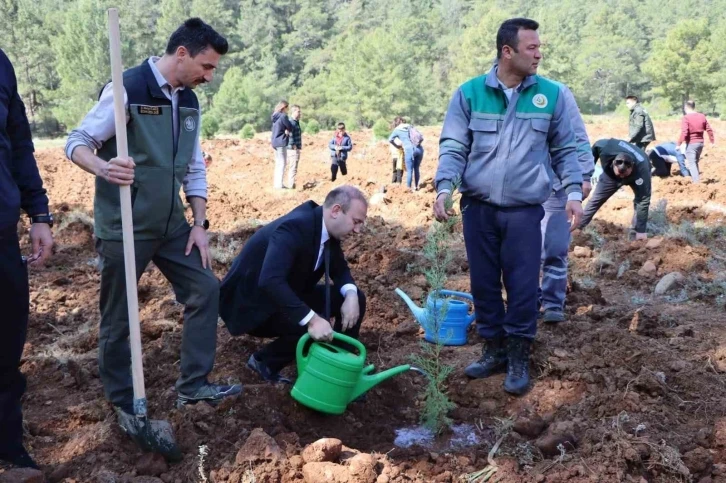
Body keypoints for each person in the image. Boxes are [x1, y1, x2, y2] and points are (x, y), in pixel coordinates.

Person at [64, 19, 241, 432]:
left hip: (172, 227)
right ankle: (124, 402)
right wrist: (105, 167)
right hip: (125, 226)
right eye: (206, 66)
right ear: (181, 53)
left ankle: (193, 385)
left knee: (204, 289)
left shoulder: (191, 102)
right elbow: (77, 142)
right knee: (119, 316)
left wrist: (200, 223)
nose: (210, 76)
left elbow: (194, 168)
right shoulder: (128, 89)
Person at [433, 18, 583, 395]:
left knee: (520, 284)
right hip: (478, 208)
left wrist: (575, 193)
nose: (539, 54)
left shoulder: (552, 95)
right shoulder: (469, 94)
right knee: (483, 282)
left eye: (538, 47)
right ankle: (493, 349)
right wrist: (444, 187)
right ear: (507, 51)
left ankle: (518, 355)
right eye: (531, 47)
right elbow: (454, 146)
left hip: (524, 209)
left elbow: (566, 149)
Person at [219, 186, 368, 383]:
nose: (358, 230)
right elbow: (270, 280)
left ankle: (338, 368)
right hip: (252, 306)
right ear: (336, 211)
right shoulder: (295, 228)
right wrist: (313, 320)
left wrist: (351, 295)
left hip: (284, 294)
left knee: (356, 297)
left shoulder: (325, 229)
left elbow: (340, 270)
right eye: (356, 222)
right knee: (307, 321)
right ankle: (264, 362)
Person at [0, 48, 54, 470]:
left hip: (1, 232)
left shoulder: (1, 64)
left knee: (6, 342)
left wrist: (38, 212)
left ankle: (8, 446)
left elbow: (18, 142)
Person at [539, 84, 595, 323]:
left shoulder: (556, 92)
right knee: (521, 251)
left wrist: (583, 175)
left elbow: (578, 136)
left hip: (556, 184)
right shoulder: (499, 92)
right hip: (516, 189)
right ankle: (525, 300)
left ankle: (552, 302)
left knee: (554, 247)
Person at [578, 138, 651, 241]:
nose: (622, 177)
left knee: (640, 202)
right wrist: (586, 175)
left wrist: (641, 231)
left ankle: (636, 235)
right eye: (619, 173)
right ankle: (578, 228)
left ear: (631, 167)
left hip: (636, 176)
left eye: (624, 174)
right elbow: (595, 147)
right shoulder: (606, 148)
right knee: (596, 200)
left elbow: (644, 200)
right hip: (610, 177)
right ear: (613, 163)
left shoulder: (642, 171)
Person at [678, 100, 715, 184]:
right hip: (700, 143)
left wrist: (679, 144)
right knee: (695, 162)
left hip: (691, 143)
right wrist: (712, 141)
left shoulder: (686, 118)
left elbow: (684, 132)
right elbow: (709, 129)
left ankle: (696, 183)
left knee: (692, 164)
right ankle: (696, 180)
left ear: (686, 107)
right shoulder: (701, 116)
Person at [388, 117, 424, 190]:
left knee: (409, 170)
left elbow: (390, 139)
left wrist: (397, 146)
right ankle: (416, 187)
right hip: (419, 149)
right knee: (416, 168)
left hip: (409, 150)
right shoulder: (410, 126)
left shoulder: (397, 130)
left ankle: (408, 189)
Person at [271, 100, 293, 189]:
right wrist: (287, 131)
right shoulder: (283, 116)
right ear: (284, 107)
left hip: (275, 142)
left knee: (278, 163)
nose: (288, 110)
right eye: (287, 108)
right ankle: (279, 185)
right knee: (282, 163)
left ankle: (277, 184)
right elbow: (290, 126)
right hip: (281, 141)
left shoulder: (274, 116)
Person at [286, 105, 303, 189]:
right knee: (293, 167)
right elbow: (289, 134)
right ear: (293, 112)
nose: (300, 113)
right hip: (293, 149)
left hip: (294, 148)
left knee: (293, 167)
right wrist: (294, 145)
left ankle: (291, 184)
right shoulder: (291, 122)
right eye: (298, 111)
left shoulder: (296, 121)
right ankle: (291, 185)